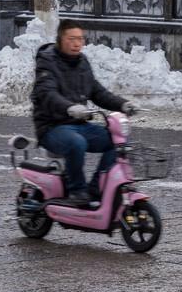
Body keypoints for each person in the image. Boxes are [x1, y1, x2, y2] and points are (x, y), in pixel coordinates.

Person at [32, 19, 136, 206]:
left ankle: (95, 190)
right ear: (60, 39)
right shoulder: (47, 62)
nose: (77, 43)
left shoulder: (82, 62)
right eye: (71, 39)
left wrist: (123, 105)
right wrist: (70, 108)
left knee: (118, 141)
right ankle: (77, 192)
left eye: (80, 39)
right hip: (52, 127)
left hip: (79, 125)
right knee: (76, 143)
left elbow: (97, 92)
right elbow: (47, 93)